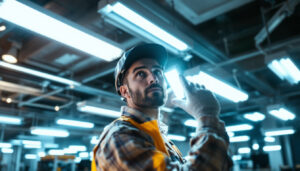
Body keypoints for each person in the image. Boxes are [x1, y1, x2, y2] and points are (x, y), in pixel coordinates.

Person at [92, 43, 232, 171]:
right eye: (141, 74)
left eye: (157, 71)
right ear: (125, 91)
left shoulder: (161, 138)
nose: (153, 78)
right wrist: (206, 114)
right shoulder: (118, 136)